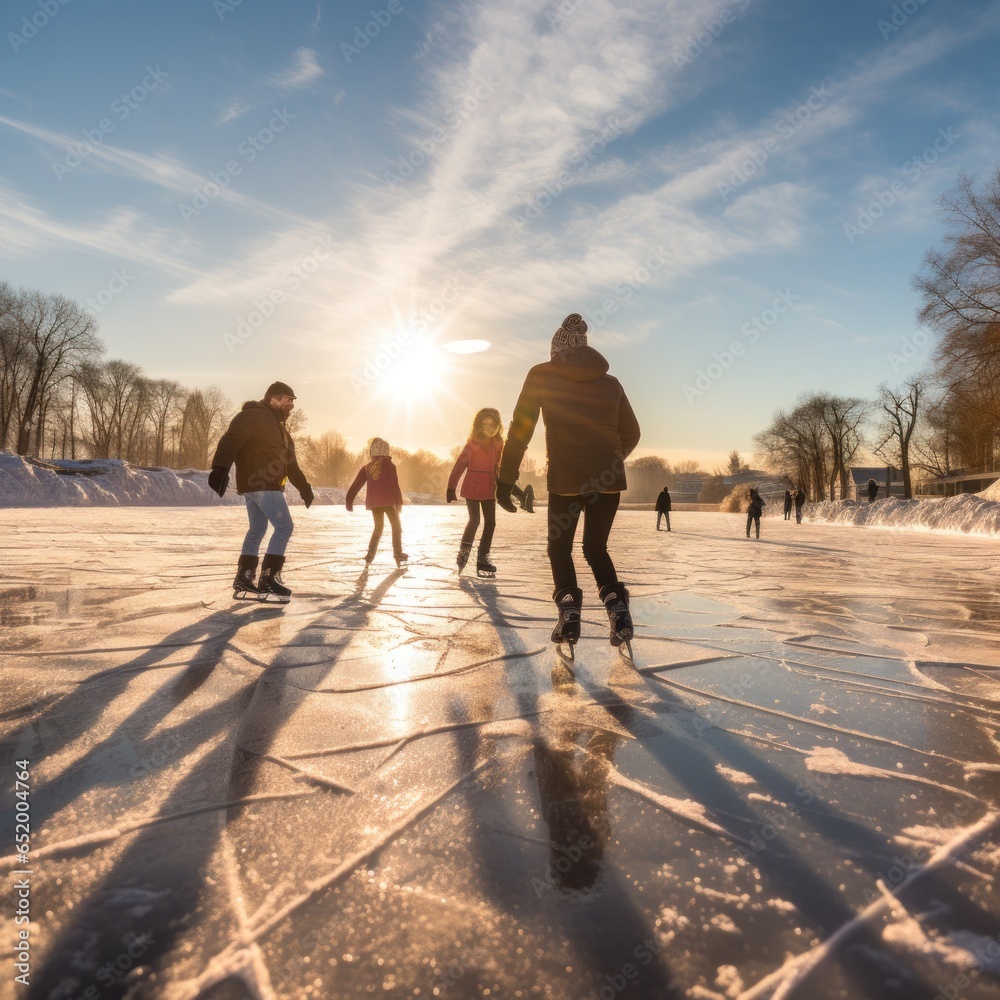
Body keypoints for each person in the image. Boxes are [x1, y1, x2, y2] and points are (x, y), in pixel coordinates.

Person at [496, 313, 641, 653]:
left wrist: (505, 480)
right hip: (608, 483)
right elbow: (632, 433)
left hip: (566, 482)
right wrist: (610, 460)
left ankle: (569, 616)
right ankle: (618, 610)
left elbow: (521, 429)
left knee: (559, 548)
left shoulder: (541, 374)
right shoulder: (612, 382)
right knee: (595, 548)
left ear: (555, 349)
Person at [209, 380, 314, 602]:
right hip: (263, 484)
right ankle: (269, 579)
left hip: (257, 485)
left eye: (292, 401)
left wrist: (304, 488)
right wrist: (220, 468)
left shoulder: (280, 430)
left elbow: (291, 464)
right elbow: (231, 440)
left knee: (258, 528)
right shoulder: (255, 415)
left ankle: (244, 577)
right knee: (284, 526)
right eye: (288, 399)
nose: (291, 405)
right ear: (273, 399)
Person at [446, 407, 534, 577]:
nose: (488, 427)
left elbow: (503, 466)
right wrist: (451, 487)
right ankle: (464, 552)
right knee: (475, 520)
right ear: (479, 425)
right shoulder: (471, 445)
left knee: (491, 523)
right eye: (485, 423)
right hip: (472, 487)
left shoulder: (498, 444)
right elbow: (459, 466)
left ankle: (483, 558)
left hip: (488, 488)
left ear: (497, 425)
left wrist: (510, 479)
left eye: (492, 423)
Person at [346, 438, 407, 567]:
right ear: (386, 451)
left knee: (378, 528)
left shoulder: (367, 468)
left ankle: (370, 554)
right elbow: (393, 486)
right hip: (388, 503)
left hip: (374, 504)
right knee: (396, 527)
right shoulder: (390, 466)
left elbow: (356, 485)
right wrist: (399, 502)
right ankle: (398, 553)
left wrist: (349, 501)